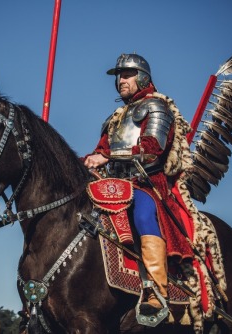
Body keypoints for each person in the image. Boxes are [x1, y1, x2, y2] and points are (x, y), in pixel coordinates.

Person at [84, 53, 194, 317]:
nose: (121, 80)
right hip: (115, 182)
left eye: (127, 74)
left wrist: (107, 156)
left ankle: (157, 291)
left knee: (144, 213)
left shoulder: (156, 107)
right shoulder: (116, 118)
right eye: (119, 76)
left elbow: (152, 149)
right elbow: (100, 151)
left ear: (142, 76)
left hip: (147, 183)